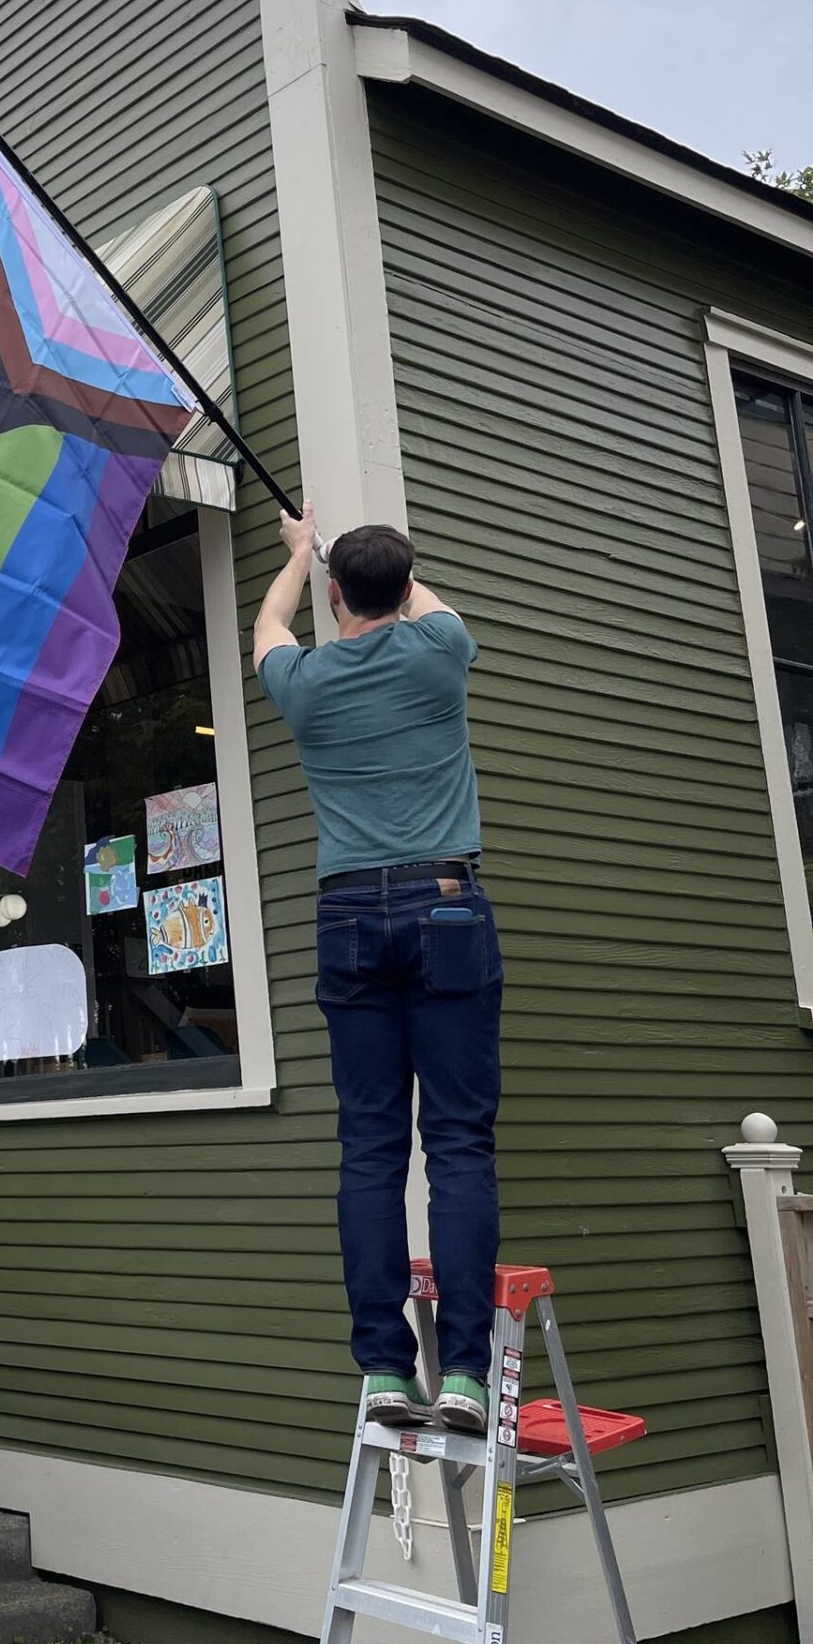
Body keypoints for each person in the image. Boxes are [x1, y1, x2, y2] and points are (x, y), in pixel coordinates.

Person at [252, 506, 500, 1434]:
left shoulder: (306, 684)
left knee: (370, 1147)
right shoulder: (440, 654)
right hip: (447, 905)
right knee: (460, 1145)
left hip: (351, 912)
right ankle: (467, 1374)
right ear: (404, 588)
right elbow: (433, 610)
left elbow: (265, 630)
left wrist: (295, 556)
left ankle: (386, 1371)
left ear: (333, 595)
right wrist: (368, 567)